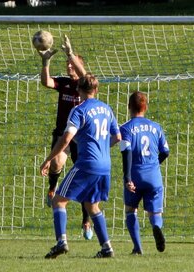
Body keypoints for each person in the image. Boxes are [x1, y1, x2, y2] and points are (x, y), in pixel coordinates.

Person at [40, 72, 121, 259]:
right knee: (92, 206)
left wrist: (48, 159)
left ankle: (61, 242)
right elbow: (117, 137)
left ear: (78, 89)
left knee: (59, 200)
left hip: (87, 163)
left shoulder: (79, 110)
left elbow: (66, 139)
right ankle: (107, 247)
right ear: (96, 89)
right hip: (105, 165)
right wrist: (101, 147)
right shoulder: (106, 108)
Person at [38, 35, 93, 240]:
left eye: (72, 64)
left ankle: (86, 221)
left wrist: (71, 53)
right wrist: (46, 62)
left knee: (85, 180)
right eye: (67, 63)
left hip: (82, 137)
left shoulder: (86, 86)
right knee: (57, 164)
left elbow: (85, 76)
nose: (69, 66)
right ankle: (52, 188)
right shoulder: (64, 83)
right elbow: (46, 81)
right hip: (63, 134)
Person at [119, 91, 169, 255]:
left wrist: (127, 178)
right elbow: (166, 151)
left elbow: (126, 152)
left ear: (129, 107)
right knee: (155, 212)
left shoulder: (126, 128)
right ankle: (156, 226)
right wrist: (155, 164)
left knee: (130, 209)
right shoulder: (156, 127)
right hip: (153, 176)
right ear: (145, 107)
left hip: (135, 175)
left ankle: (137, 247)